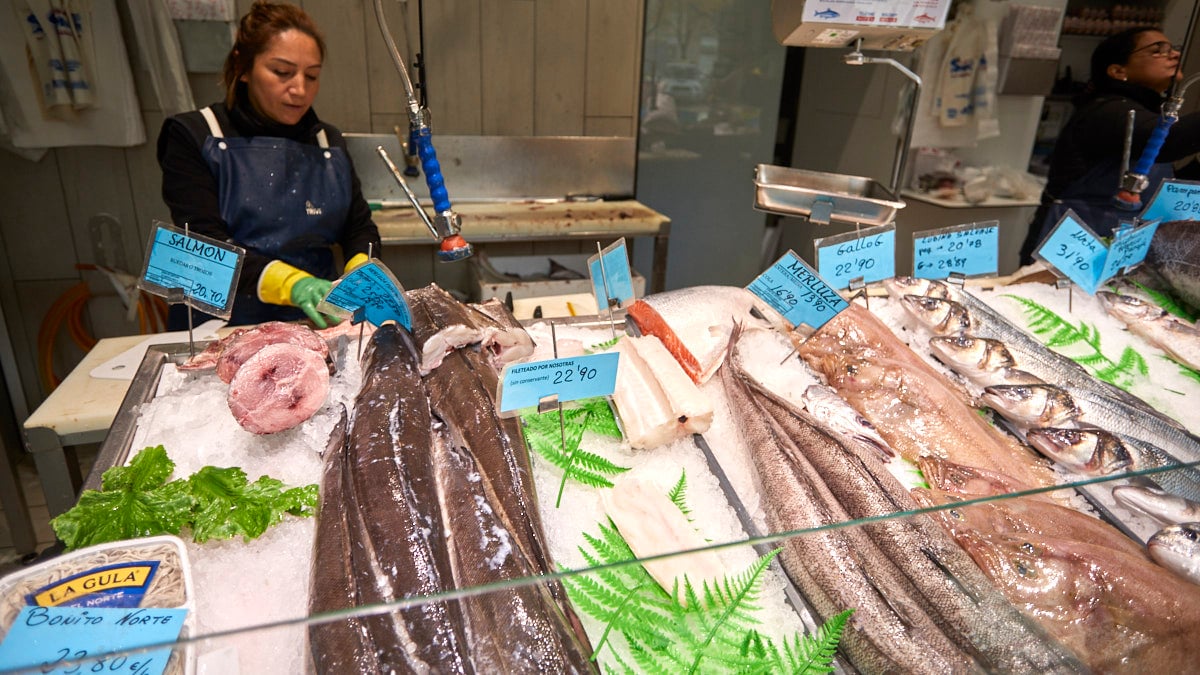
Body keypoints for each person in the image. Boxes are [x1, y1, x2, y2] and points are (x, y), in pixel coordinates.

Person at [157, 0, 380, 328]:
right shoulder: (195, 134)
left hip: (314, 319)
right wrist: (292, 284)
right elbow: (203, 245)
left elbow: (358, 227)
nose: (300, 89)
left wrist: (361, 269)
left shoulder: (327, 141)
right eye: (282, 72)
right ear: (243, 67)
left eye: (312, 76)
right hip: (222, 326)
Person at [1019, 27, 1200, 265]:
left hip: (1122, 247)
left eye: (1173, 49)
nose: (1174, 55)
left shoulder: (1146, 113)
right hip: (1072, 251)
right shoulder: (1108, 110)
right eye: (1157, 50)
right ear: (1118, 71)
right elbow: (1167, 142)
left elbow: (1160, 188)